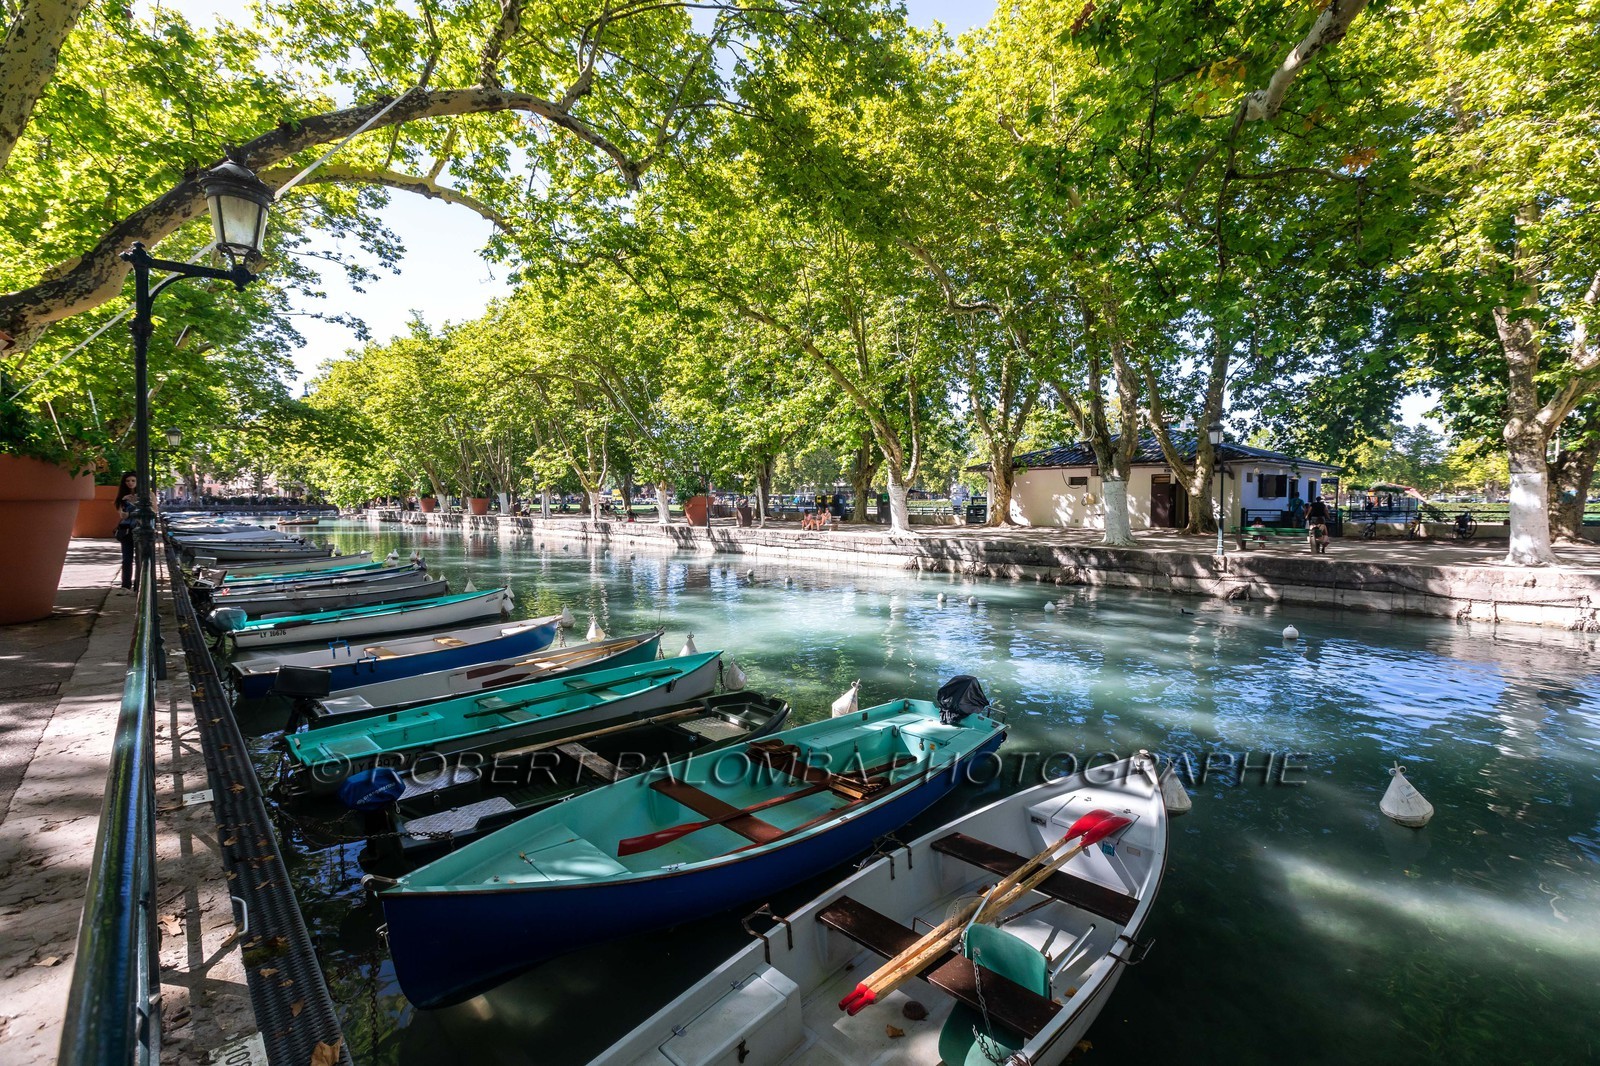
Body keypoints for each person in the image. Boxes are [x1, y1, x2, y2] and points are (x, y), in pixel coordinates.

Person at [113, 470, 139, 589]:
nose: (130, 483)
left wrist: (134, 504)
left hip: (140, 530)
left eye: (133, 480)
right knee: (127, 559)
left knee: (140, 559)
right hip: (126, 530)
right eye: (127, 481)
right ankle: (126, 585)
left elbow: (153, 511)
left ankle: (139, 585)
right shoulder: (122, 498)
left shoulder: (148, 495)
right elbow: (122, 515)